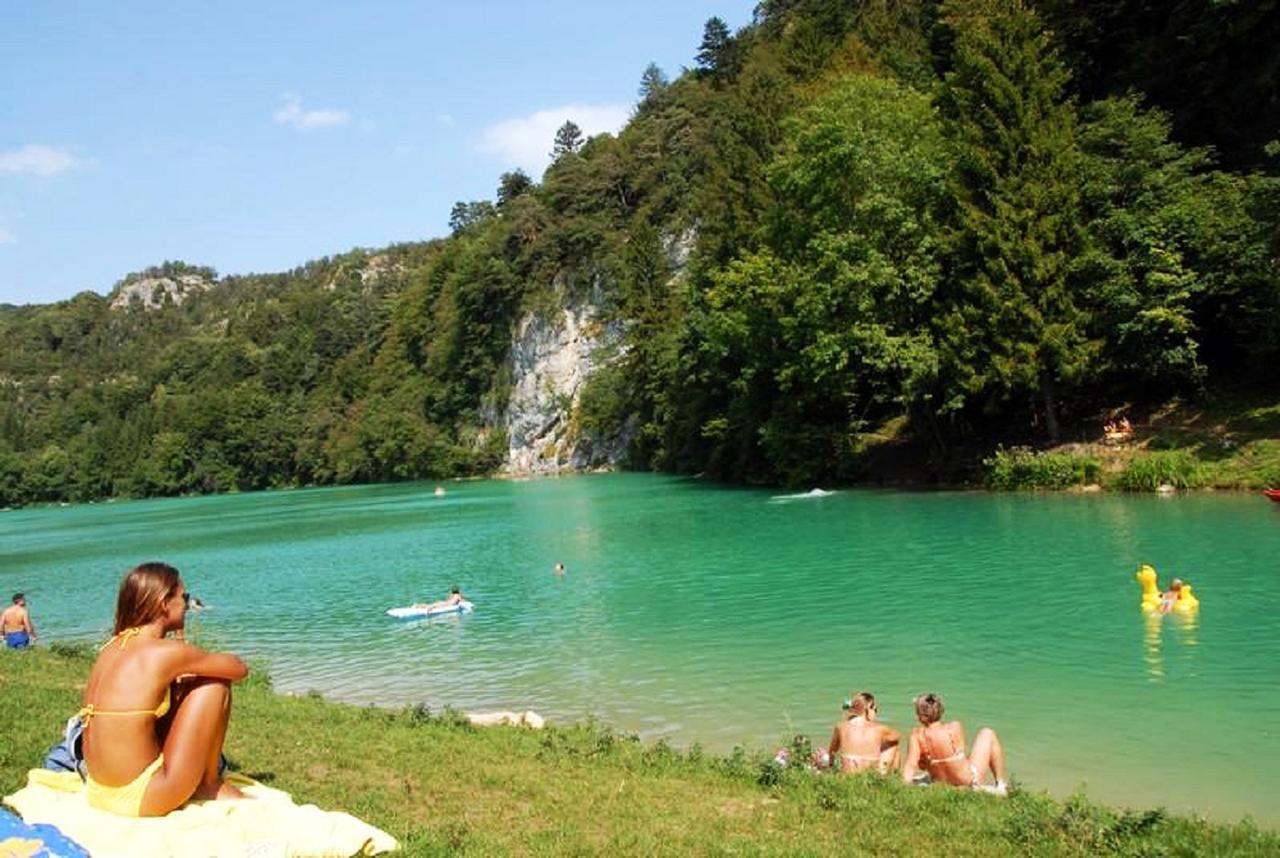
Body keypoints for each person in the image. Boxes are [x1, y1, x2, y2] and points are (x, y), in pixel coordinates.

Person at [78, 562, 248, 817]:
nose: (188, 605)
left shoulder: (113, 646)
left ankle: (203, 781)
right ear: (163, 603)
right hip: (141, 797)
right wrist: (190, 661)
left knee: (186, 685)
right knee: (214, 684)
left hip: (99, 790)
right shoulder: (162, 653)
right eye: (184, 597)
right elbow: (238, 668)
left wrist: (182, 655)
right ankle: (208, 784)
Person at [902, 693, 1008, 794]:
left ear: (922, 716)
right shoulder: (955, 727)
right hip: (969, 783)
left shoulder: (916, 735)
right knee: (987, 733)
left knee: (933, 759)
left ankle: (937, 776)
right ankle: (1000, 785)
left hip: (940, 782)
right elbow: (959, 757)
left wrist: (903, 785)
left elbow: (911, 765)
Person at [828, 691, 900, 774]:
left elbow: (832, 752)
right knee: (893, 744)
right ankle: (893, 778)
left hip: (847, 776)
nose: (876, 713)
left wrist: (831, 767)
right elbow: (897, 736)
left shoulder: (841, 726)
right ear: (869, 707)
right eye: (875, 710)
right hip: (869, 776)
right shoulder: (880, 729)